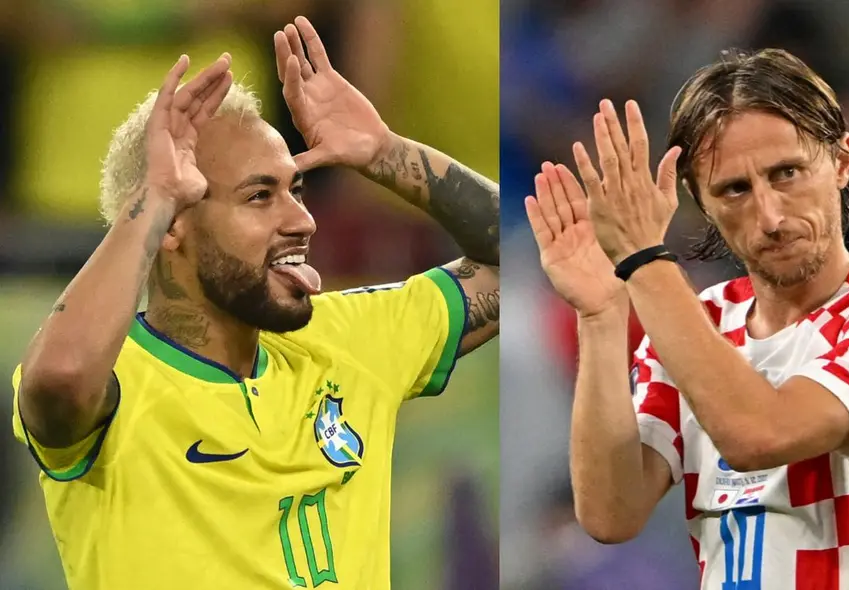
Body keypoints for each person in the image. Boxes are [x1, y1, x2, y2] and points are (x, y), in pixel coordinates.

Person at [11, 16, 498, 590]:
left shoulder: (348, 338)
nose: (302, 221)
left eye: (296, 190)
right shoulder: (114, 387)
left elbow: (513, 256)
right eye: (260, 196)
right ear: (172, 226)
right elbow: (60, 378)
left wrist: (385, 153)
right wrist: (155, 195)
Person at [526, 48, 849, 589]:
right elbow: (611, 513)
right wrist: (601, 313)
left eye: (788, 173)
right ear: (699, 202)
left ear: (843, 161)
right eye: (735, 189)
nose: (771, 216)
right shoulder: (698, 322)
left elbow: (760, 434)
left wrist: (642, 257)